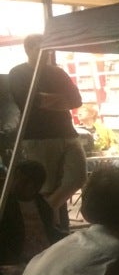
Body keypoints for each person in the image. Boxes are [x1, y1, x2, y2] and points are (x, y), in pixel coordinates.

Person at [8, 34, 86, 228]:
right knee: (46, 185)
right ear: (29, 50)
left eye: (49, 49)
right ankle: (49, 226)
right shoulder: (18, 73)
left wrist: (45, 100)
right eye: (41, 48)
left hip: (67, 133)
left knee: (78, 177)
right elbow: (29, 101)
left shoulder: (58, 72)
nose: (47, 53)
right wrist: (59, 100)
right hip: (39, 137)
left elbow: (76, 101)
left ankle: (48, 210)